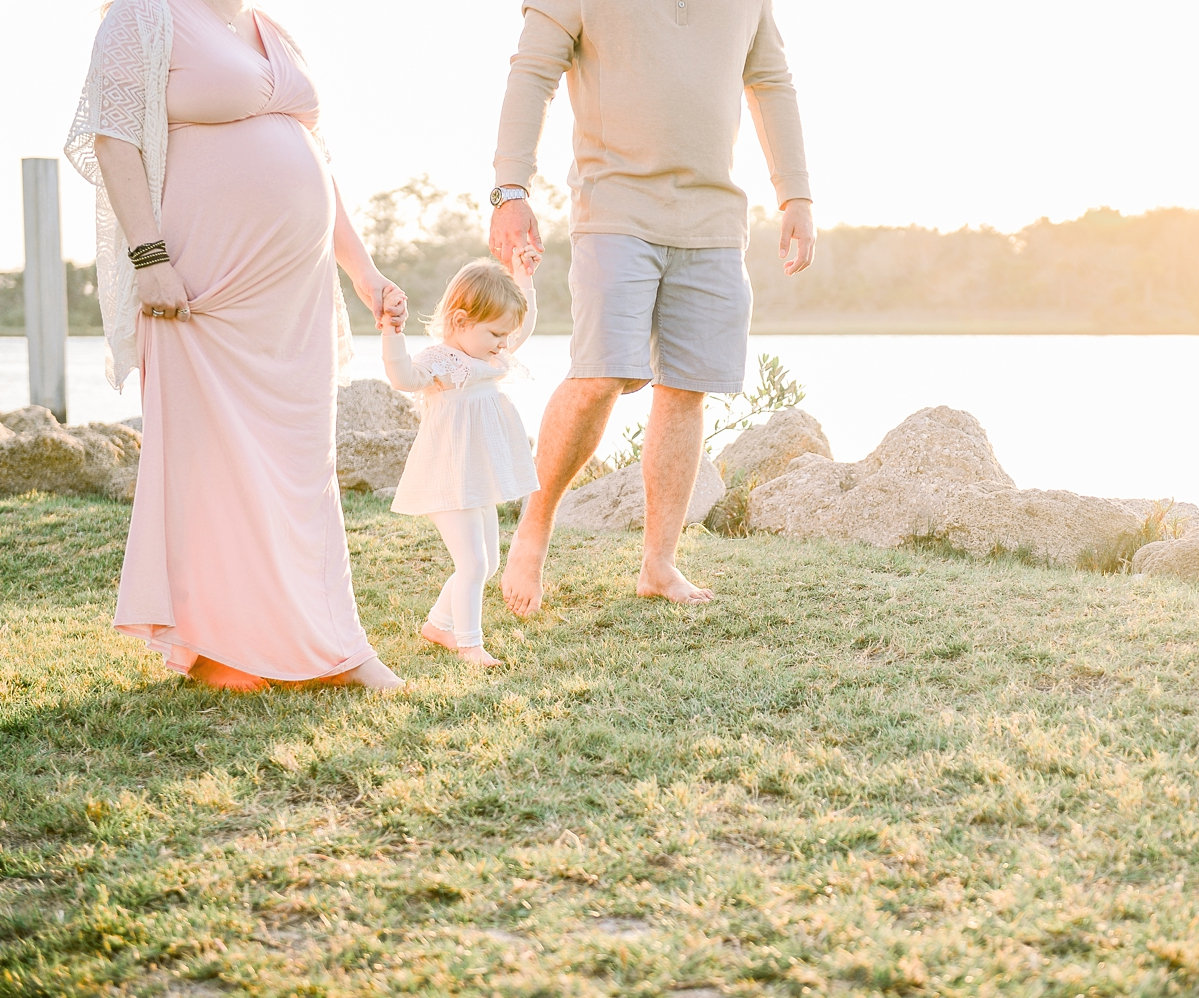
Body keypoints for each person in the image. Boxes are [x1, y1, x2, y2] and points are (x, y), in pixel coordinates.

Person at [65, 0, 407, 691]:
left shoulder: (271, 30)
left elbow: (319, 163)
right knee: (214, 466)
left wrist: (364, 271)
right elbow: (113, 140)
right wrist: (150, 259)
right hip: (205, 291)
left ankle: (313, 642)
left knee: (302, 464)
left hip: (295, 302)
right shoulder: (142, 15)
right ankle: (244, 648)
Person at [488, 0, 816, 616]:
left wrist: (794, 192)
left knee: (688, 387)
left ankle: (659, 564)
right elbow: (532, 72)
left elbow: (771, 81)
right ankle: (533, 532)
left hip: (714, 215)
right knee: (600, 374)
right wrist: (511, 188)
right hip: (615, 207)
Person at [381, 254, 541, 667]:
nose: (504, 343)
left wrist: (524, 279)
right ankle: (470, 644)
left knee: (485, 563)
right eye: (496, 333)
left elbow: (522, 329)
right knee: (472, 563)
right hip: (448, 477)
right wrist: (391, 333)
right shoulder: (441, 361)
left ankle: (439, 625)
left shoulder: (489, 356)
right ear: (460, 320)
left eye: (506, 335)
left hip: (477, 477)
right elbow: (402, 378)